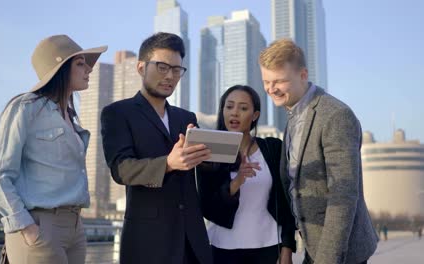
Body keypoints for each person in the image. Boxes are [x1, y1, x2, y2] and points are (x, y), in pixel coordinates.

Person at [0, 35, 107, 263]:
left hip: (76, 227)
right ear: (60, 69)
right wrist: (28, 228)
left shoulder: (70, 117)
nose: (88, 69)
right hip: (41, 226)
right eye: (80, 63)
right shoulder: (25, 108)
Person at [259, 39, 378, 264]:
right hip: (313, 248)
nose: (271, 89)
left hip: (341, 253)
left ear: (303, 75)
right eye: (266, 81)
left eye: (279, 81)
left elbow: (343, 194)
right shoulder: (294, 115)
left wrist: (327, 259)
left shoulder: (335, 115)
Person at [101, 32, 212, 264]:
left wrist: (213, 156)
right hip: (148, 242)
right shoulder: (118, 113)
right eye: (162, 67)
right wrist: (168, 164)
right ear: (141, 67)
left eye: (176, 70)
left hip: (193, 241)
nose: (170, 76)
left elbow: (204, 168)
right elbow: (121, 169)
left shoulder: (186, 117)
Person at [197, 85, 297, 264]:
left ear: (255, 115)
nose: (234, 113)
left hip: (268, 246)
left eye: (243, 108)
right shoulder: (210, 150)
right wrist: (236, 182)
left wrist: (287, 248)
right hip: (223, 249)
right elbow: (207, 207)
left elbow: (286, 201)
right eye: (229, 107)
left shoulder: (273, 148)